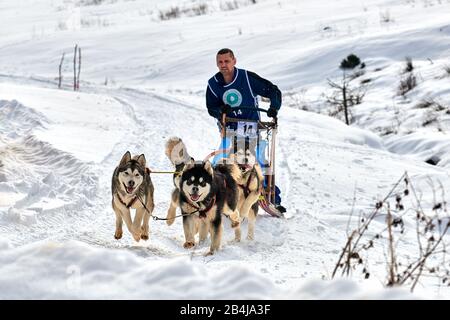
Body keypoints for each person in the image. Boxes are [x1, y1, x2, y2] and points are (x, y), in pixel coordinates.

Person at [205, 48, 286, 213]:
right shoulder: (213, 84)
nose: (224, 65)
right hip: (230, 130)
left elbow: (273, 90)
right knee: (221, 162)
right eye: (220, 62)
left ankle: (271, 198)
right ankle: (213, 196)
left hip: (252, 130)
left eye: (227, 61)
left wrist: (273, 108)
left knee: (260, 164)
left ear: (234, 61)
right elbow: (211, 107)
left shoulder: (247, 78)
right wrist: (221, 111)